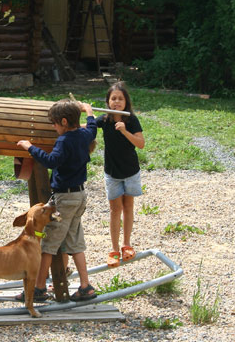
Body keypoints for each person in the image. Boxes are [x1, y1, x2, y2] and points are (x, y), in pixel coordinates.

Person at [16, 99, 98, 302]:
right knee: (75, 243)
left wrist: (30, 147)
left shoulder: (64, 141)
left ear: (63, 121)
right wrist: (89, 110)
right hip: (79, 196)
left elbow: (51, 161)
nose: (53, 127)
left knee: (48, 245)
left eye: (54, 123)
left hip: (64, 199)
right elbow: (93, 128)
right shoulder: (84, 134)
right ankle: (85, 286)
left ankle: (38, 288)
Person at [95, 82, 145, 267]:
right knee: (115, 210)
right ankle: (114, 249)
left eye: (120, 99)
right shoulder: (104, 119)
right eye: (113, 98)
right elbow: (87, 125)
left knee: (128, 207)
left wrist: (124, 131)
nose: (116, 102)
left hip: (131, 171)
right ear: (108, 101)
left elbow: (141, 144)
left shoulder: (131, 120)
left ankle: (127, 245)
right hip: (112, 172)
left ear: (126, 102)